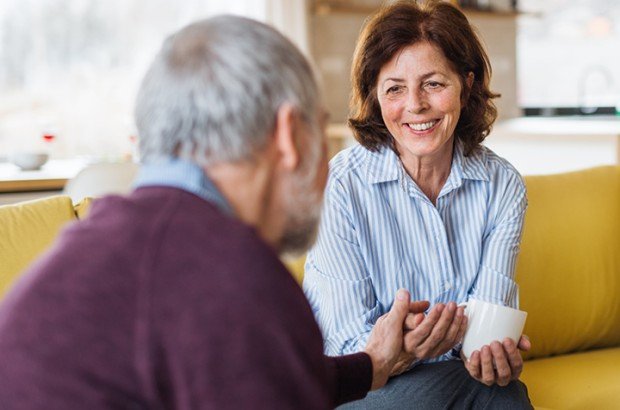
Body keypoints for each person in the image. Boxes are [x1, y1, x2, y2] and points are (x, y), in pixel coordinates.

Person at [0, 15, 422, 409]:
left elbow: (249, 370)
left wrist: (372, 364)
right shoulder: (237, 278)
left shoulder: (95, 249)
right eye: (320, 128)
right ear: (290, 135)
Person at [303, 1, 533, 408]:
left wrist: (490, 355)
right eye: (394, 88)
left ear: (466, 83)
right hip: (365, 388)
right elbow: (342, 346)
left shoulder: (502, 186)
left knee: (500, 388)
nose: (415, 105)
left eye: (434, 84)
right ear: (376, 96)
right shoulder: (338, 187)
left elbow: (487, 325)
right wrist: (405, 348)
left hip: (459, 380)